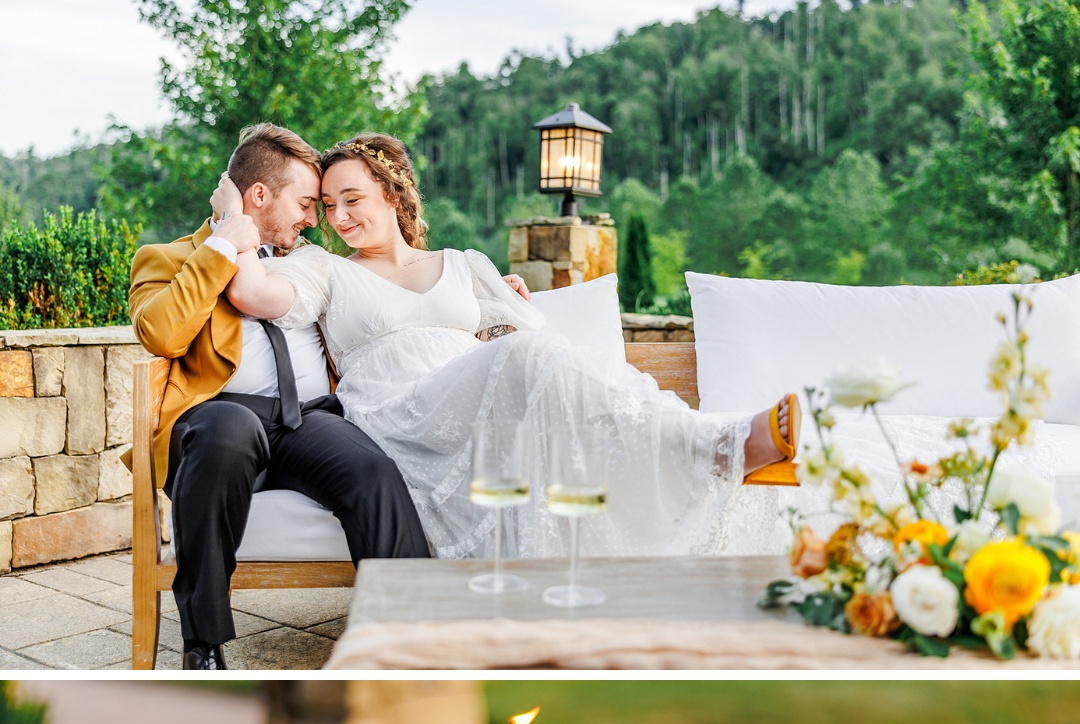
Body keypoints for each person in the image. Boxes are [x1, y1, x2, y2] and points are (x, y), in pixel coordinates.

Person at [221, 133, 800, 565]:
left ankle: (701, 446)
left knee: (546, 368)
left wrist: (497, 318)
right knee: (530, 360)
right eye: (326, 206)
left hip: (475, 402)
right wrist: (234, 220)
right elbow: (251, 291)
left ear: (393, 194)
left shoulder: (465, 265)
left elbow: (527, 338)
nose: (339, 216)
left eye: (352, 198)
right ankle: (719, 444)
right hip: (397, 417)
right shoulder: (323, 268)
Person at [128, 123, 432, 671]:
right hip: (219, 420)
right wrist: (226, 240)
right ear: (259, 196)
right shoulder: (169, 258)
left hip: (308, 420)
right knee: (228, 430)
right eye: (307, 203)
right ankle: (203, 646)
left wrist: (486, 294)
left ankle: (408, 638)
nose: (316, 219)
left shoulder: (313, 263)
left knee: (371, 469)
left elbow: (400, 292)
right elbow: (162, 333)